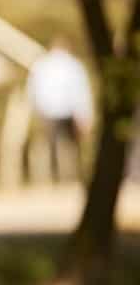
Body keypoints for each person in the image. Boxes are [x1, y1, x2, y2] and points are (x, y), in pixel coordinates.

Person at [26, 35, 93, 183]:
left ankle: (56, 178)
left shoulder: (41, 65)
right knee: (68, 147)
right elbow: (80, 93)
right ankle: (68, 177)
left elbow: (33, 91)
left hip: (48, 111)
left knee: (52, 145)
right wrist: (84, 115)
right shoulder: (74, 65)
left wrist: (36, 110)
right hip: (67, 111)